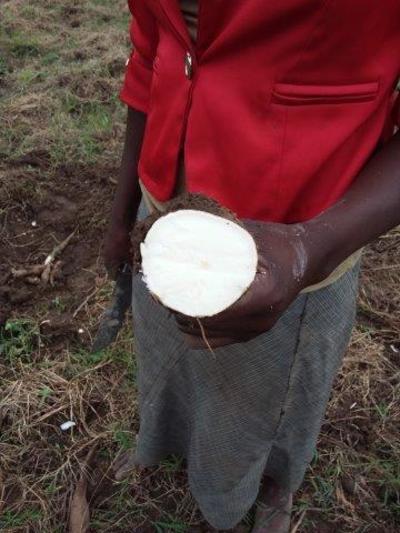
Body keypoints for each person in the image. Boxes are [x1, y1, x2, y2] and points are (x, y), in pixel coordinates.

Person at [104, 1, 400, 531]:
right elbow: (152, 49)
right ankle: (167, 441)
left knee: (269, 391)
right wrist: (124, 209)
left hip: (293, 231)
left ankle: (272, 481)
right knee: (169, 353)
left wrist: (310, 249)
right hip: (164, 210)